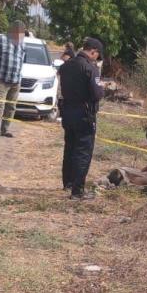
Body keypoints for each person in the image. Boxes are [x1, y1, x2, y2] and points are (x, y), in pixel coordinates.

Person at [58, 37, 104, 200]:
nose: (96, 59)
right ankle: (78, 191)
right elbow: (97, 94)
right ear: (93, 51)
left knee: (69, 148)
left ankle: (68, 183)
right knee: (83, 151)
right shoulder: (90, 68)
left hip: (68, 112)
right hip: (84, 115)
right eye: (97, 55)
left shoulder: (66, 66)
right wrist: (101, 87)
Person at [0, 21, 25, 139]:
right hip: (1, 78)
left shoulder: (23, 43)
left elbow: (21, 60)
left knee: (12, 106)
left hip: (16, 80)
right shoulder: (1, 39)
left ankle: (5, 129)